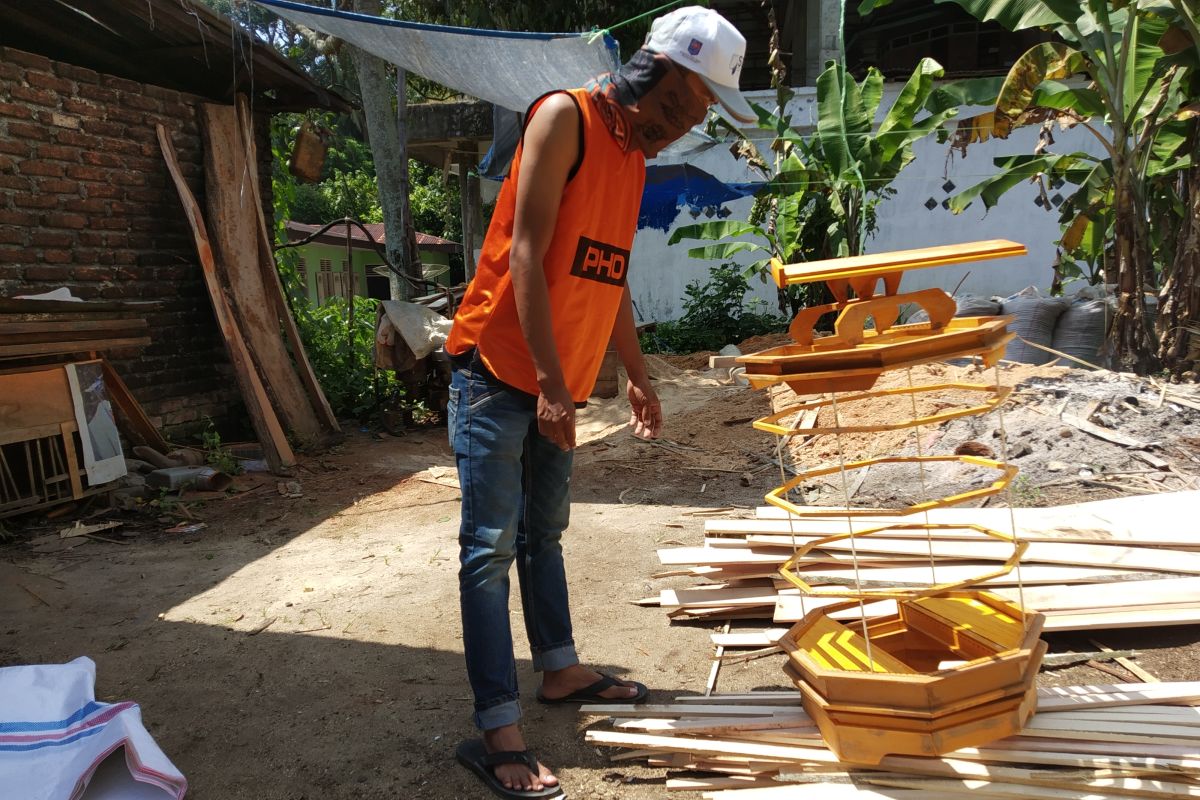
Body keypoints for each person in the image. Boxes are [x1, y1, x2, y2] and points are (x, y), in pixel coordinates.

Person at [445, 7, 754, 797]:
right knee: (487, 551)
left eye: (694, 121)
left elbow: (605, 273)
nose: (678, 129)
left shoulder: (634, 159)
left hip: (561, 385)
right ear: (656, 68)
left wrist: (638, 376)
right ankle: (498, 732)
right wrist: (550, 384)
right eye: (680, 107)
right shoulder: (563, 117)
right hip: (499, 371)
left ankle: (558, 670)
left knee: (543, 534)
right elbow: (525, 253)